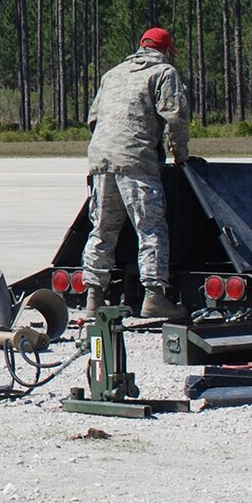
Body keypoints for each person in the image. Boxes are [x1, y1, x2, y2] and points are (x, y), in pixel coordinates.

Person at [81, 27, 190, 319]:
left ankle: (94, 297)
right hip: (136, 160)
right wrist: (181, 157)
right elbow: (175, 116)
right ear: (165, 50)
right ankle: (155, 296)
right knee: (151, 227)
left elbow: (93, 119)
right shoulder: (164, 72)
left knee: (103, 229)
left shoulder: (112, 74)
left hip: (101, 159)